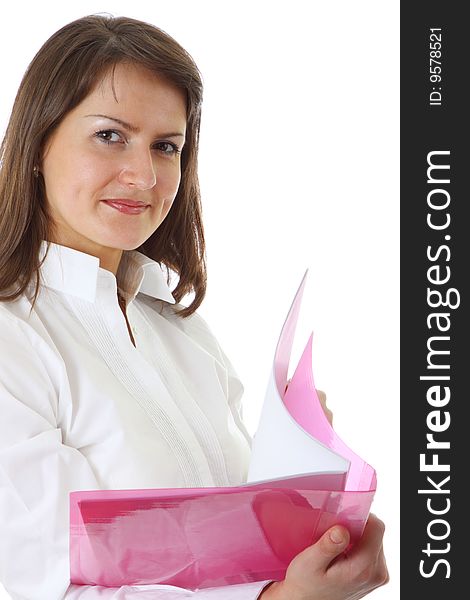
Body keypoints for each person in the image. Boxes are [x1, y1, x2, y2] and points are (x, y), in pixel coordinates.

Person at [0, 14, 389, 600]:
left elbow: (230, 546)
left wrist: (307, 499)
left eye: (167, 146)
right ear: (37, 144)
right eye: (110, 135)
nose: (144, 175)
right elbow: (43, 587)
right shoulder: (12, 339)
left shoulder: (180, 329)